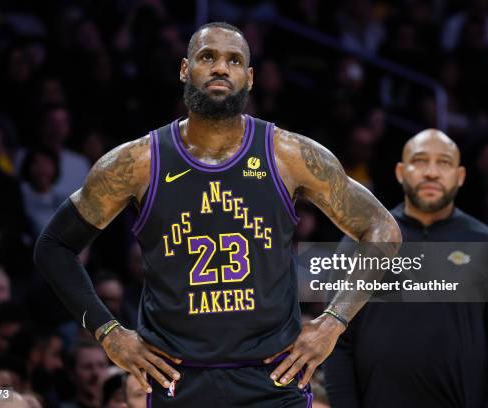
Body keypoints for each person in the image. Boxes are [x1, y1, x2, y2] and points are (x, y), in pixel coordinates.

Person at [35, 22, 401, 407]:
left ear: (250, 76)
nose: (221, 68)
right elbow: (53, 246)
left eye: (234, 60)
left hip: (273, 379)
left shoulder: (289, 155)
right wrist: (108, 331)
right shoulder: (136, 163)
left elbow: (381, 228)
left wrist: (333, 322)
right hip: (178, 380)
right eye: (207, 56)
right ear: (184, 69)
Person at [324, 129, 488, 407]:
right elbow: (335, 340)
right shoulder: (361, 242)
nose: (431, 172)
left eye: (444, 162)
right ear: (400, 172)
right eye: (420, 160)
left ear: (461, 176)